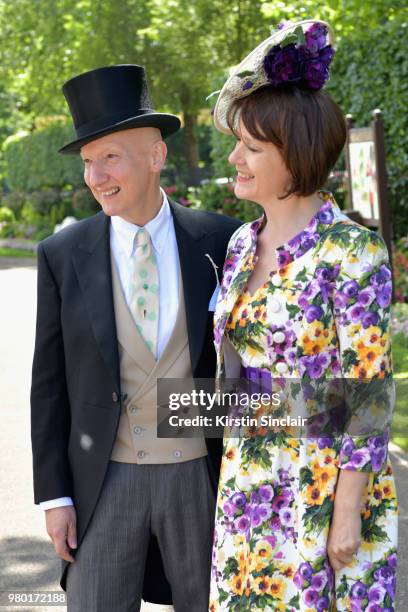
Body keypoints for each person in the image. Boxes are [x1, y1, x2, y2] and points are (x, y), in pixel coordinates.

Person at [30, 64, 241, 612]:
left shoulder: (221, 240)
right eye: (87, 162)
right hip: (102, 480)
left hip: (200, 476)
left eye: (110, 157)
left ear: (156, 156)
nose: (95, 177)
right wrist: (55, 496)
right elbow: (48, 384)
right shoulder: (62, 254)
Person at [208, 20, 397, 611]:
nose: (234, 157)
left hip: (321, 484)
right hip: (248, 478)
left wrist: (345, 514)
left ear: (296, 157)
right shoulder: (241, 244)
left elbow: (369, 395)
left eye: (251, 148)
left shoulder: (352, 251)